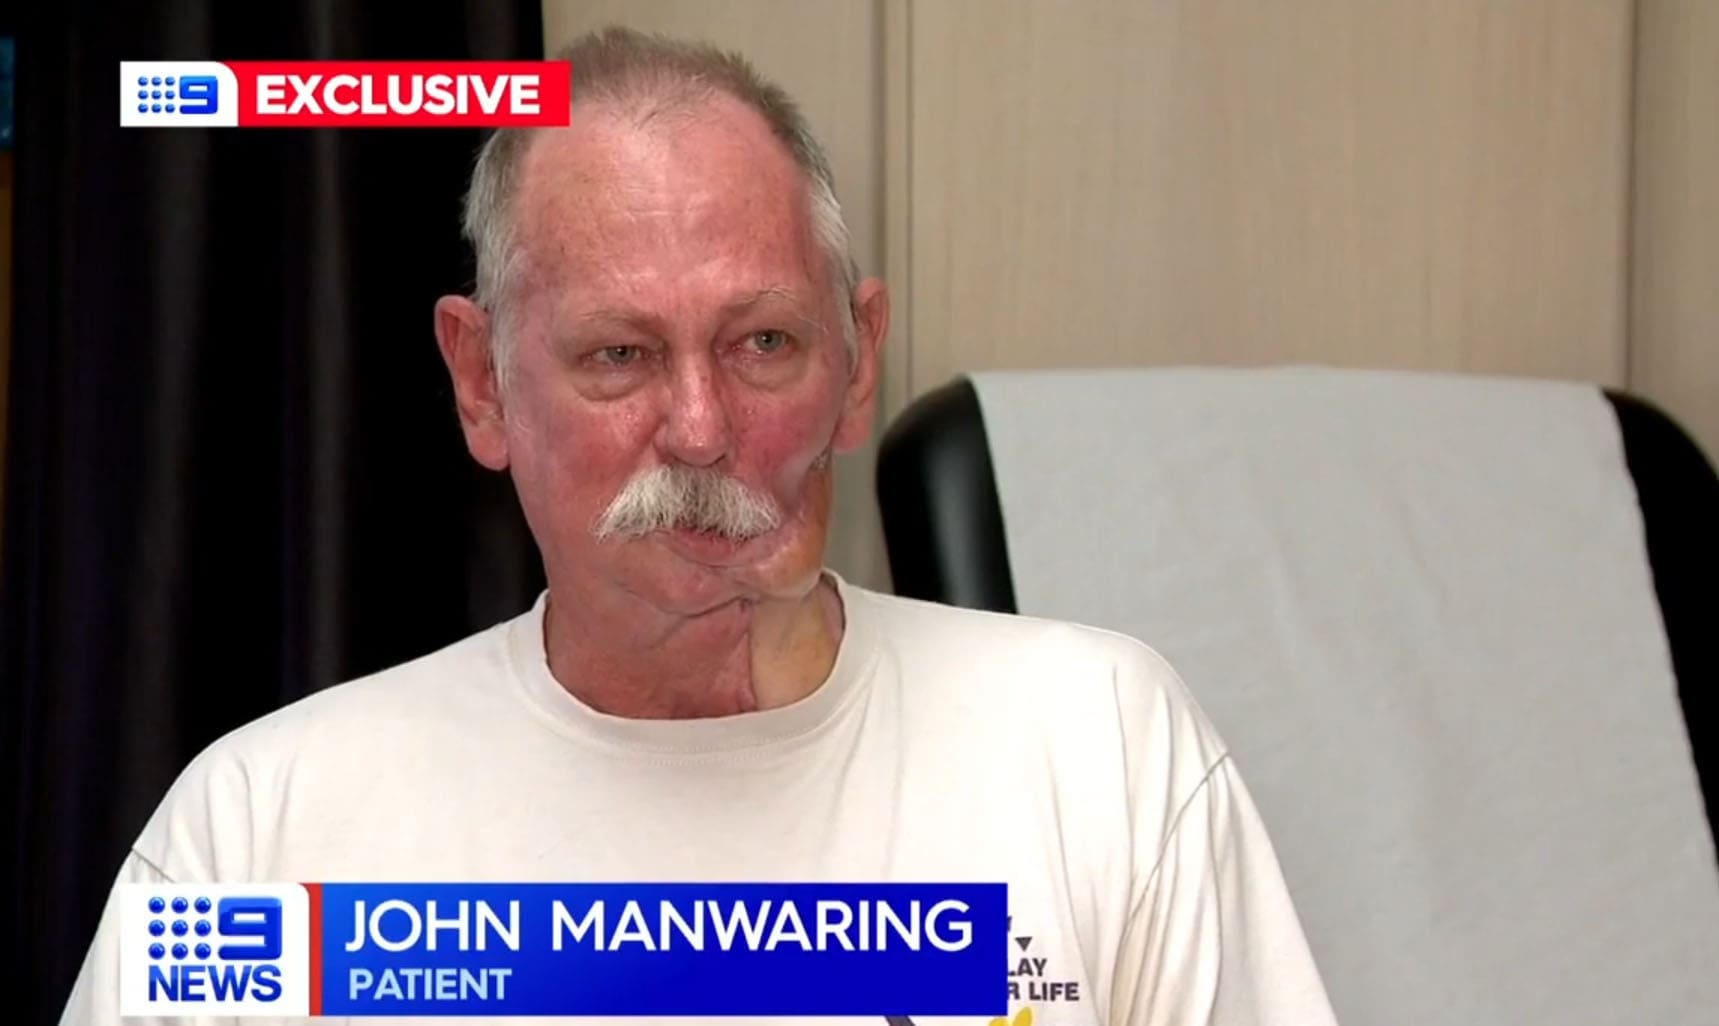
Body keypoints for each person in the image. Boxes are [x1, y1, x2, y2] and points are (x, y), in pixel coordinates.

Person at [60, 26, 1339, 1026]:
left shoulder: (1102, 750)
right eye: (619, 354)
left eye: (763, 342)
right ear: (482, 383)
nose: (699, 427)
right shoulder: (257, 839)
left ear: (856, 360)